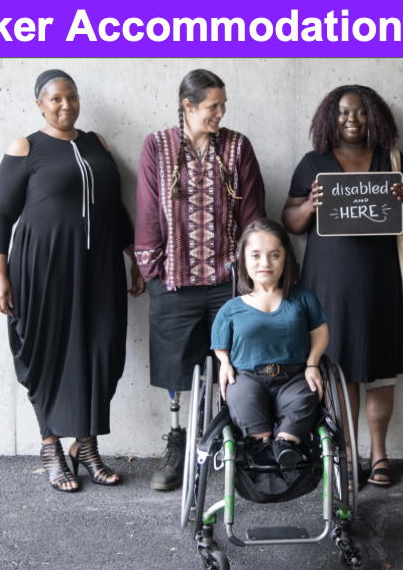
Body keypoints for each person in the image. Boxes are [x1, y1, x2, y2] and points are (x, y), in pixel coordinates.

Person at [0, 69, 145, 492]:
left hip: (98, 270)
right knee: (48, 352)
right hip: (42, 269)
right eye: (55, 99)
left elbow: (114, 207)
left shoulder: (98, 144)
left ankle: (86, 446)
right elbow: (1, 214)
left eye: (71, 97)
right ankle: (51, 446)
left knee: (101, 350)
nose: (65, 106)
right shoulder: (26, 147)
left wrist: (133, 256)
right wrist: (0, 274)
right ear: (40, 103)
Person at [282, 85, 403, 487]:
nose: (352, 120)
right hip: (329, 283)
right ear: (331, 117)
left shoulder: (391, 161)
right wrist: (310, 204)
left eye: (361, 113)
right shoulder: (315, 163)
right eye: (344, 113)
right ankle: (346, 454)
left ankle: (380, 456)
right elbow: (290, 221)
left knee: (378, 369)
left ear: (374, 117)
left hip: (379, 280)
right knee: (338, 369)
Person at [135, 69, 266, 491]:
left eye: (223, 105)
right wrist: (154, 272)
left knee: (238, 364)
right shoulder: (157, 147)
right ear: (188, 106)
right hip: (175, 281)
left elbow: (253, 216)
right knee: (178, 370)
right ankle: (179, 444)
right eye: (213, 106)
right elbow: (148, 212)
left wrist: (253, 277)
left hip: (228, 284)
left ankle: (233, 442)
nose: (221, 113)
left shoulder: (237, 147)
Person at [212, 219, 329, 471]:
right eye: (255, 255)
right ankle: (262, 444)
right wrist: (224, 363)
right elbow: (220, 343)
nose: (265, 263)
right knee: (242, 399)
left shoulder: (302, 297)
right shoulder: (232, 308)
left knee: (306, 397)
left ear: (285, 258)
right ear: (243, 260)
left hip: (295, 375)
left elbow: (320, 331)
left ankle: (285, 444)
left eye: (274, 255)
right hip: (247, 377)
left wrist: (313, 364)